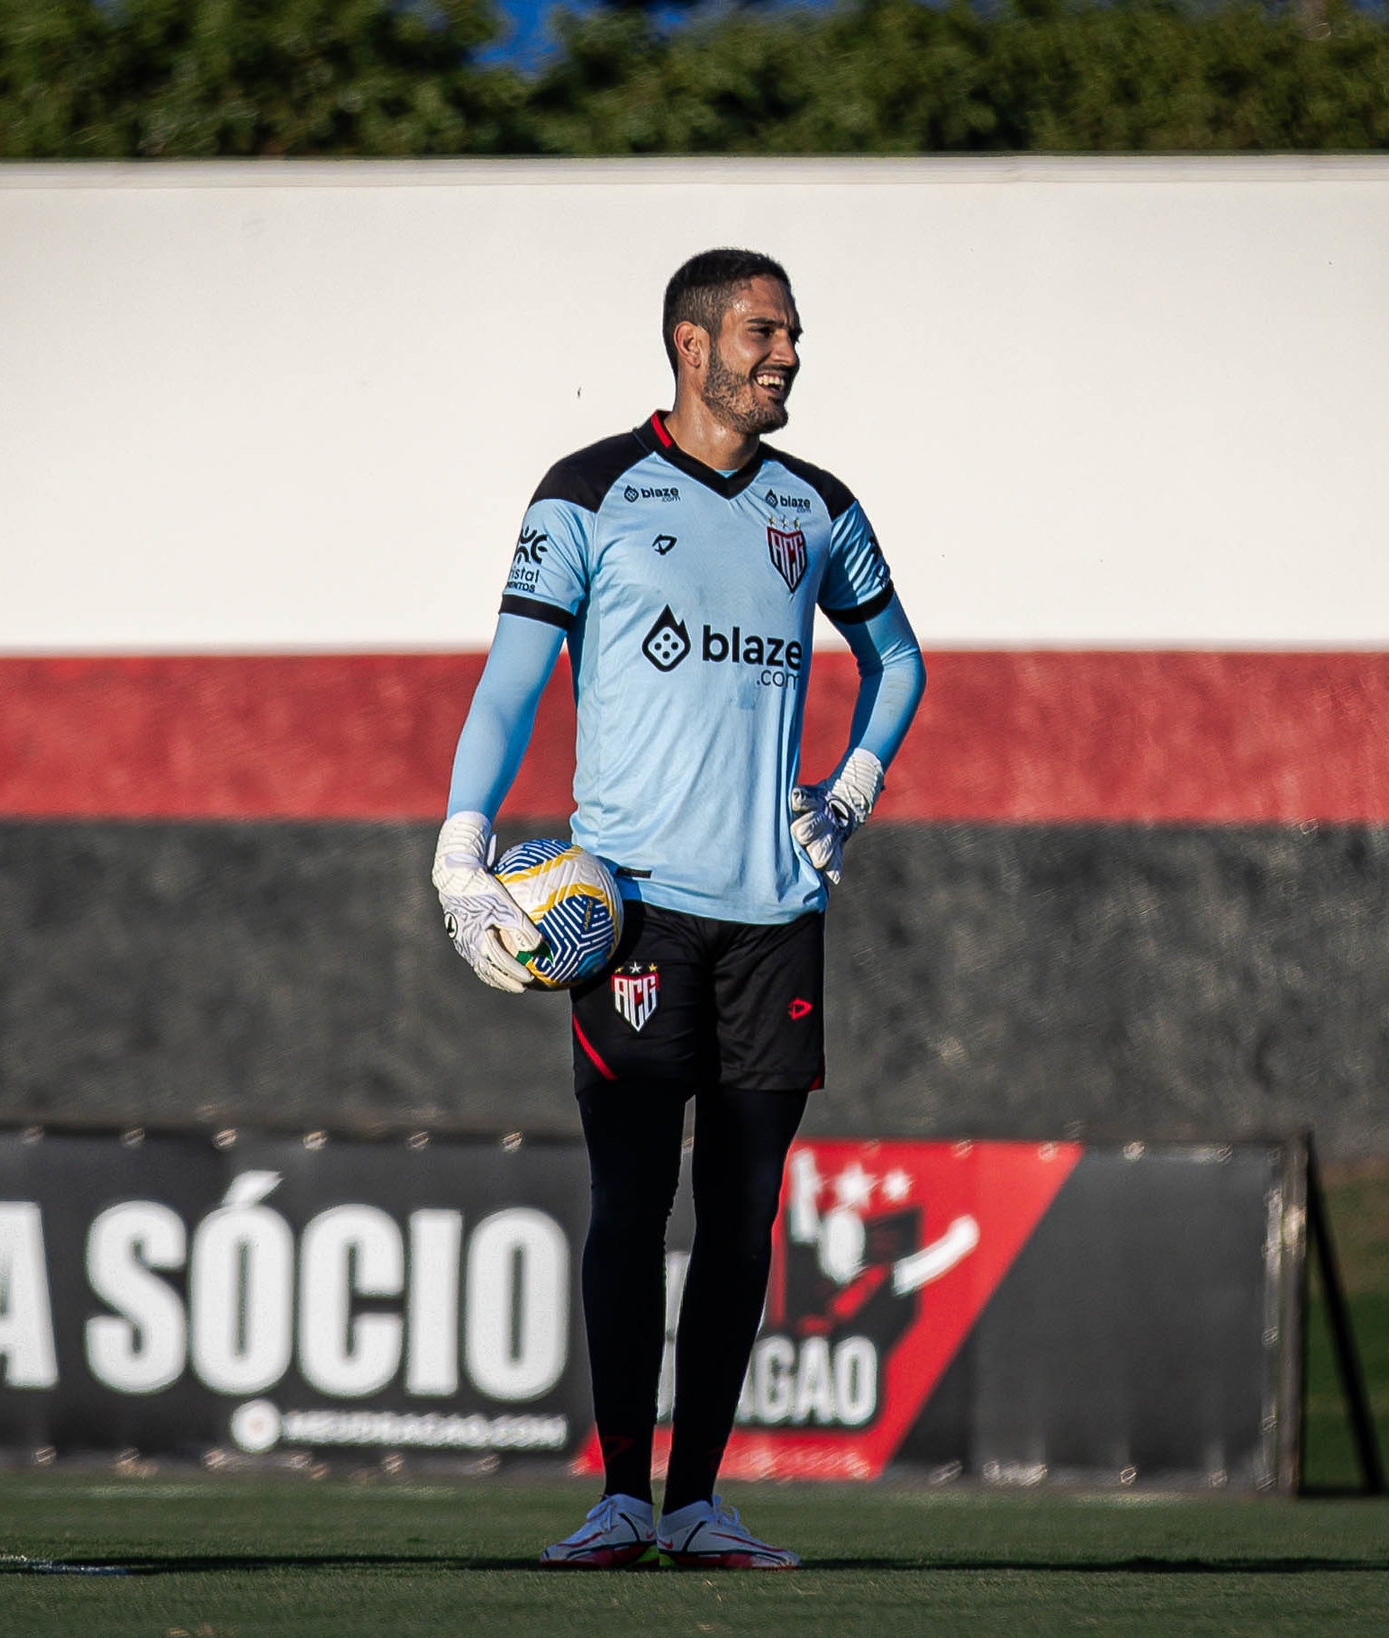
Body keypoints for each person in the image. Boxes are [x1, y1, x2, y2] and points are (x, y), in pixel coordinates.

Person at [432, 248, 925, 1570]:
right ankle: (620, 1496)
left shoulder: (818, 508)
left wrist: (854, 787)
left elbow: (899, 657)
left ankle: (701, 1499)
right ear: (690, 344)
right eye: (766, 331)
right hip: (629, 919)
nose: (789, 354)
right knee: (630, 1203)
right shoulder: (587, 493)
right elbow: (509, 684)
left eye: (796, 334)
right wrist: (460, 851)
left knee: (745, 1212)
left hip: (777, 917)